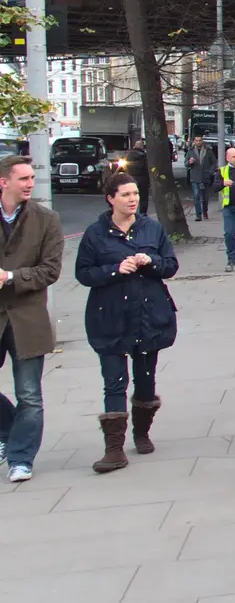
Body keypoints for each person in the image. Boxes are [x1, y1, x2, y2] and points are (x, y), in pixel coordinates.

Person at [75, 173, 179, 473]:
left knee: (145, 380)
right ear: (111, 199)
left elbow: (170, 266)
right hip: (109, 317)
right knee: (114, 381)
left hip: (148, 316)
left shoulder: (151, 228)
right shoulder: (95, 234)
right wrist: (114, 270)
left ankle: (142, 431)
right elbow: (83, 273)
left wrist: (151, 262)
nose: (132, 199)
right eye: (125, 195)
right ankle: (114, 449)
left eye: (135, 193)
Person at [0, 155, 63, 483]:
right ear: (3, 182)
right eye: (22, 178)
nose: (29, 184)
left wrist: (10, 276)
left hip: (27, 317)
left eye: (31, 179)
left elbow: (50, 270)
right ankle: (10, 431)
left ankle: (21, 458)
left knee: (29, 393)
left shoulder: (45, 219)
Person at [185, 136, 216, 221]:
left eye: (200, 140)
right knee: (196, 196)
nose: (198, 142)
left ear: (202, 141)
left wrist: (211, 171)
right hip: (195, 177)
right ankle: (198, 215)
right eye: (196, 140)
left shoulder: (208, 150)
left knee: (205, 197)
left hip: (205, 177)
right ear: (194, 141)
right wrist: (189, 162)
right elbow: (186, 163)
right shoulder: (191, 151)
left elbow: (214, 162)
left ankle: (205, 212)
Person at [126, 138, 152, 214]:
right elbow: (148, 168)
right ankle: (142, 214)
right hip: (143, 179)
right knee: (143, 198)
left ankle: (131, 212)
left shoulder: (129, 155)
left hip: (132, 178)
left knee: (131, 197)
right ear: (142, 147)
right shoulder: (144, 156)